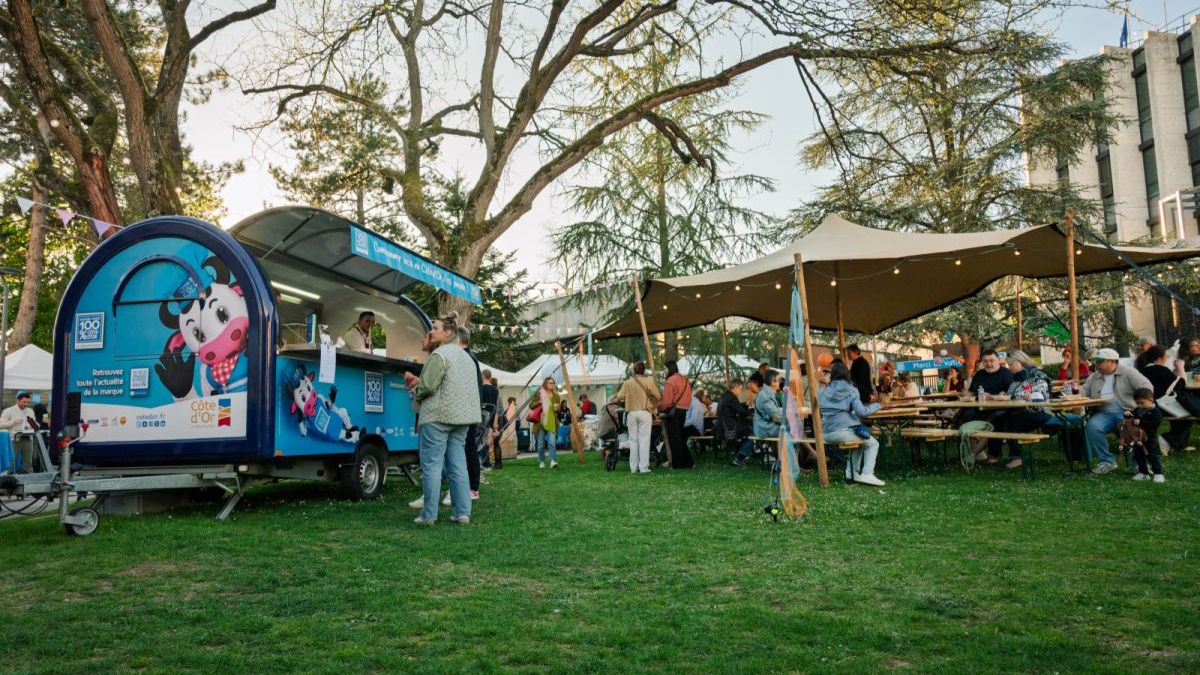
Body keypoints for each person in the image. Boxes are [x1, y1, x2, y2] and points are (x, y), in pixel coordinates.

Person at [404, 313, 480, 525]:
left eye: (435, 328)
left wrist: (416, 389)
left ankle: (429, 514)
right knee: (458, 466)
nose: (431, 331)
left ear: (448, 332)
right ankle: (462, 512)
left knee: (432, 466)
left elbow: (428, 386)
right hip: (462, 417)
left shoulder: (439, 355)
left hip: (437, 416)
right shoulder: (467, 358)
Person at [1081, 347, 1153, 475]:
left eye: (1100, 362)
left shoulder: (1128, 372)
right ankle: (1107, 461)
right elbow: (1083, 391)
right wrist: (1074, 392)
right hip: (1104, 413)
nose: (1096, 364)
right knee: (1092, 426)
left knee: (1130, 427)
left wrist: (1139, 404)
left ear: (1113, 362)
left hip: (1127, 411)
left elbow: (1146, 387)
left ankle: (1139, 464)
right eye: (1096, 362)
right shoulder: (1095, 376)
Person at [818, 363, 885, 486]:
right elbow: (862, 412)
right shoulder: (851, 389)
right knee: (873, 443)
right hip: (843, 431)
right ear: (847, 374)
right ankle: (867, 474)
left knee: (859, 442)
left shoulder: (822, 391)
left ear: (832, 375)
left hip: (825, 432)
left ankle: (851, 472)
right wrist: (878, 405)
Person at [987, 350, 1052, 469]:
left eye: (1011, 364)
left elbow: (1039, 396)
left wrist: (1010, 397)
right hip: (1019, 411)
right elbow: (1011, 393)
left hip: (1037, 412)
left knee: (1011, 423)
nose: (1009, 367)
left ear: (1021, 362)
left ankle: (1017, 458)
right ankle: (993, 456)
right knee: (996, 420)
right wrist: (1004, 394)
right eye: (1008, 364)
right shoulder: (1016, 378)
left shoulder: (1037, 376)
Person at [614, 361, 660, 473]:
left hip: (631, 413)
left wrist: (627, 399)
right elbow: (658, 395)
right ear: (644, 370)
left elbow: (619, 397)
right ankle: (643, 467)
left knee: (633, 440)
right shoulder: (648, 381)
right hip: (644, 412)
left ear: (634, 370)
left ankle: (633, 467)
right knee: (644, 440)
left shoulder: (628, 382)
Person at [1121, 388, 1166, 483]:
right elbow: (1133, 416)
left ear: (1150, 399)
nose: (1140, 405)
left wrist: (1141, 422)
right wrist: (1128, 415)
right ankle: (1143, 473)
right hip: (1137, 437)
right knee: (1138, 455)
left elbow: (1154, 423)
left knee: (1152, 455)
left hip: (1149, 438)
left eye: (1142, 403)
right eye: (1137, 403)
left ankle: (1158, 473)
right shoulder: (1138, 409)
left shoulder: (1156, 412)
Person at [659, 359, 694, 468]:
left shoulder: (670, 381)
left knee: (674, 439)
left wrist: (661, 408)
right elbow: (688, 398)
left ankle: (677, 464)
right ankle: (688, 462)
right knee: (679, 438)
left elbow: (667, 401)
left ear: (669, 368)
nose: (664, 371)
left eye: (664, 368)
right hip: (683, 411)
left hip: (673, 412)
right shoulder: (685, 380)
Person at [717, 379, 755, 466]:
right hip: (730, 428)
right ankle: (740, 457)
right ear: (735, 387)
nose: (741, 391)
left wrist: (745, 404)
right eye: (740, 389)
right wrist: (753, 409)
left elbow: (735, 407)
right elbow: (742, 412)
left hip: (721, 427)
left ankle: (742, 453)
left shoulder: (725, 396)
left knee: (747, 431)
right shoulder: (732, 397)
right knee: (754, 432)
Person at [0, 392, 39, 473]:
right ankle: (9, 480)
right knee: (12, 461)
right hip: (14, 439)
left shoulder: (30, 411)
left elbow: (34, 425)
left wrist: (33, 425)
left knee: (28, 462)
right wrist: (13, 421)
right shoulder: (9, 411)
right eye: (24, 402)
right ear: (18, 400)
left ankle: (29, 479)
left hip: (28, 439)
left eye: (28, 402)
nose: (26, 404)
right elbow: (1, 425)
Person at [534, 377, 561, 469]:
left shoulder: (556, 396)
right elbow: (531, 406)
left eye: (553, 383)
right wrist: (539, 402)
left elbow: (558, 409)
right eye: (550, 383)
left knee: (552, 443)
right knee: (541, 445)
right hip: (540, 423)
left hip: (551, 422)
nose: (552, 384)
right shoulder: (539, 393)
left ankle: (553, 461)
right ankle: (542, 461)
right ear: (545, 383)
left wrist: (557, 409)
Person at [753, 370, 783, 439]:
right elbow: (776, 416)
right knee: (793, 427)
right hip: (764, 429)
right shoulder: (766, 396)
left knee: (793, 425)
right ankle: (796, 449)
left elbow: (775, 412)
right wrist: (791, 417)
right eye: (778, 380)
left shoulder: (767, 393)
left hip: (766, 426)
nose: (780, 382)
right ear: (773, 382)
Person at [480, 370, 500, 469]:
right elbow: (496, 407)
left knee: (481, 440)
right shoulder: (495, 390)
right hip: (491, 417)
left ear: (483, 376)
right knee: (487, 440)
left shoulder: (481, 389)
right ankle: (486, 462)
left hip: (481, 416)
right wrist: (495, 421)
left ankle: (483, 462)